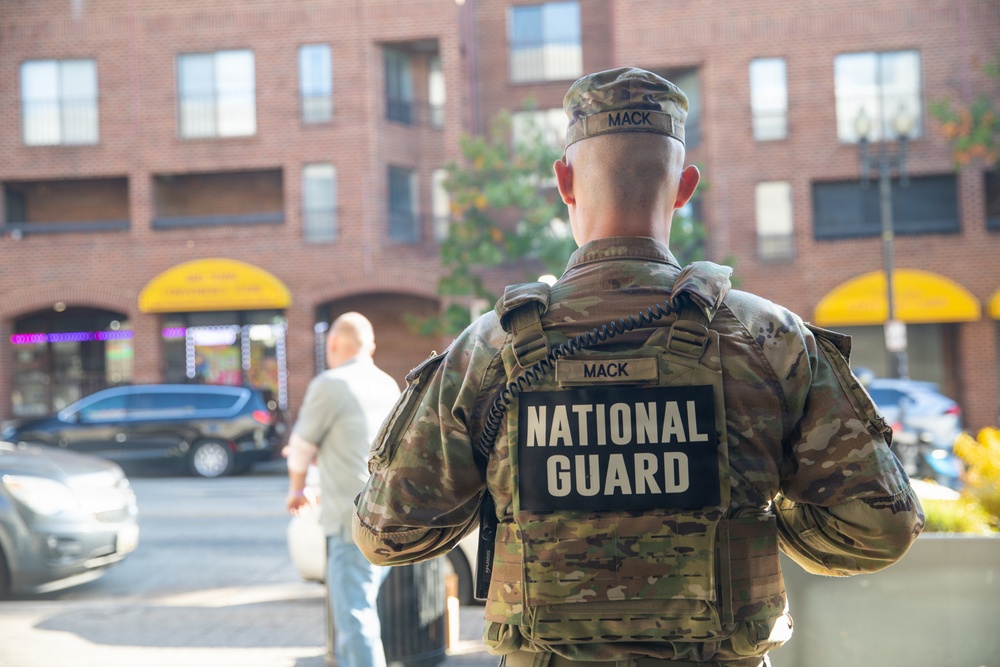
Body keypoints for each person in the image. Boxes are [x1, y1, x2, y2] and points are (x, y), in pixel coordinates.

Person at [353, 68, 924, 667]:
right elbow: (878, 527)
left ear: (564, 181)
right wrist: (749, 520)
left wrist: (504, 498)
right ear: (684, 187)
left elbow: (387, 533)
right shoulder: (770, 337)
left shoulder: (489, 348)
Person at [286, 312, 401, 667]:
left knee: (354, 619)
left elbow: (301, 447)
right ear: (371, 348)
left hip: (350, 522)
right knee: (361, 613)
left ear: (333, 344)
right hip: (388, 519)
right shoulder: (388, 385)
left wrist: (297, 490)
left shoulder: (331, 384)